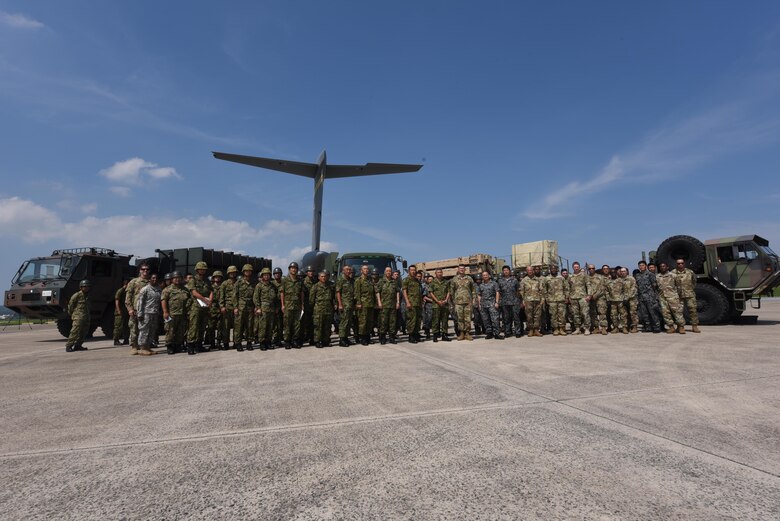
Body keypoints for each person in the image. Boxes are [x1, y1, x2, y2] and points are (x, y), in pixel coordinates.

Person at [186, 261, 213, 354]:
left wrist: (210, 300)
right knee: (194, 326)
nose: (203, 271)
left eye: (204, 269)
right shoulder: (193, 280)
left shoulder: (207, 280)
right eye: (201, 269)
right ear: (197, 270)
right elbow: (193, 292)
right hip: (196, 306)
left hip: (205, 307)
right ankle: (190, 345)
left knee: (202, 326)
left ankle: (199, 345)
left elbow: (211, 291)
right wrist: (204, 299)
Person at [161, 271, 190, 355]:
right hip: (171, 314)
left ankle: (178, 346)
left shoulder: (185, 289)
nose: (177, 279)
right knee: (170, 330)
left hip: (182, 314)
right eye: (175, 278)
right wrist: (165, 312)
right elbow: (163, 301)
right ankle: (169, 346)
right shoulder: (167, 289)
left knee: (180, 331)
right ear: (172, 279)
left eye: (179, 278)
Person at [125, 263, 150, 354]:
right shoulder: (134, 282)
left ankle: (144, 346)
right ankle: (134, 346)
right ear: (140, 270)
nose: (145, 271)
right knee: (134, 328)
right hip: (136, 309)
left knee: (145, 329)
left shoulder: (151, 282)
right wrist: (130, 309)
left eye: (147, 269)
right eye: (143, 269)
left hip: (147, 310)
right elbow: (128, 296)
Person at [657, 262, 686, 334]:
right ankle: (671, 327)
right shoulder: (657, 276)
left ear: (667, 267)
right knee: (665, 313)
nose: (662, 267)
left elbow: (679, 287)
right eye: (661, 266)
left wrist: (679, 296)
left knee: (677, 312)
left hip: (673, 296)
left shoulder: (673, 275)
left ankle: (681, 327)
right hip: (662, 297)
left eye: (664, 266)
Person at [136, 273, 161, 356]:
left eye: (156, 278)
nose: (155, 279)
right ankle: (142, 348)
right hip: (146, 313)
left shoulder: (158, 289)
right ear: (149, 279)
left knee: (152, 330)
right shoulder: (145, 289)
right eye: (153, 278)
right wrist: (140, 314)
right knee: (144, 330)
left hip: (154, 313)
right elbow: (140, 302)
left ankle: (147, 347)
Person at [280, 262, 304, 348]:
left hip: (297, 306)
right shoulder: (285, 280)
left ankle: (295, 340)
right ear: (289, 269)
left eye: (295, 268)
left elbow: (301, 294)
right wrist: (282, 305)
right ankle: (287, 341)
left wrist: (302, 304)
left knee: (297, 324)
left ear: (297, 270)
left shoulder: (299, 281)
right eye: (292, 268)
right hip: (288, 306)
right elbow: (282, 293)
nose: (293, 269)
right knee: (287, 324)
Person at [310, 270, 336, 348]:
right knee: (318, 326)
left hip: (328, 309)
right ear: (318, 278)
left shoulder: (330, 286)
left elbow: (332, 297)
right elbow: (311, 300)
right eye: (322, 276)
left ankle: (326, 340)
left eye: (324, 276)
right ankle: (317, 341)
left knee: (327, 326)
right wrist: (314, 308)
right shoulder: (315, 286)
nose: (323, 278)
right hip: (318, 310)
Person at [674, 259, 701, 333]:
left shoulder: (690, 272)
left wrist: (690, 289)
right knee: (678, 311)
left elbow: (694, 281)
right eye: (678, 263)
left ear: (684, 263)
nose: (680, 264)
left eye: (682, 263)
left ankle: (694, 326)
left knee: (693, 310)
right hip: (678, 295)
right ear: (676, 264)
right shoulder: (672, 273)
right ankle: (680, 327)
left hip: (689, 294)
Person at [354, 264, 379, 345]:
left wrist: (375, 303)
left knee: (369, 322)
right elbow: (357, 293)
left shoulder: (370, 280)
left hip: (370, 304)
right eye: (364, 269)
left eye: (367, 269)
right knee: (363, 322)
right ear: (361, 270)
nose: (366, 270)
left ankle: (368, 337)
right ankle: (362, 338)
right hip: (363, 304)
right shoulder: (358, 280)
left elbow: (374, 292)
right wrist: (358, 303)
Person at [253, 268, 277, 350]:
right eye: (265, 275)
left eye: (268, 275)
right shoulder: (259, 285)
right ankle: (262, 343)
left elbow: (276, 298)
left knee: (270, 326)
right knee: (262, 326)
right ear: (262, 276)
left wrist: (276, 308)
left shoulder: (272, 285)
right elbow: (256, 298)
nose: (266, 276)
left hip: (271, 309)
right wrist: (258, 308)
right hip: (263, 309)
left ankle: (268, 342)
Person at [233, 264, 255, 351]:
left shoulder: (253, 282)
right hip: (240, 307)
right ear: (243, 272)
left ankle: (249, 343)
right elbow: (234, 295)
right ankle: (238, 343)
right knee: (239, 326)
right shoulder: (238, 282)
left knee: (250, 326)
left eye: (249, 271)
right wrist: (235, 307)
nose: (248, 272)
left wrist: (255, 307)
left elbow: (255, 296)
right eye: (246, 271)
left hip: (250, 307)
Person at [635, 261, 662, 333]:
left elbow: (654, 286)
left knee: (653, 312)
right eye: (640, 265)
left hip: (650, 297)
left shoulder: (650, 274)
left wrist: (654, 296)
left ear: (645, 266)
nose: (641, 267)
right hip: (641, 297)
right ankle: (648, 327)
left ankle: (656, 327)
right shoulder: (637, 275)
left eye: (642, 265)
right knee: (644, 313)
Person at [450, 264, 475, 341]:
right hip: (458, 302)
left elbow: (473, 290)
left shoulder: (469, 278)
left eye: (463, 268)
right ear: (458, 269)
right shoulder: (454, 279)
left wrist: (473, 300)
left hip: (468, 302)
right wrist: (453, 302)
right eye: (460, 268)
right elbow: (451, 291)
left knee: (468, 318)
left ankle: (467, 333)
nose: (461, 270)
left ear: (465, 270)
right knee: (460, 318)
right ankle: (461, 333)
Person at [65, 279, 91, 352]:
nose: (86, 288)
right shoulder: (77, 295)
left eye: (88, 286)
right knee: (75, 331)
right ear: (81, 287)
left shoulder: (88, 295)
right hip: (78, 317)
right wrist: (73, 314)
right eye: (84, 286)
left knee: (84, 332)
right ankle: (69, 346)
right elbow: (70, 306)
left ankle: (78, 345)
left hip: (86, 317)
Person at [376, 267, 400, 344]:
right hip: (384, 305)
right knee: (383, 322)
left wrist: (398, 302)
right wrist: (379, 302)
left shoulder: (394, 282)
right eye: (387, 271)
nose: (388, 272)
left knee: (392, 322)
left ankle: (391, 337)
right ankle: (382, 337)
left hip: (392, 305)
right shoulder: (381, 281)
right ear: (384, 272)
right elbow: (377, 292)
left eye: (390, 271)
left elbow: (397, 292)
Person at [544, 265, 569, 336]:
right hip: (551, 300)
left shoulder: (561, 278)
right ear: (550, 270)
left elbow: (566, 289)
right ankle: (555, 329)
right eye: (552, 269)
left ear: (557, 270)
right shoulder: (547, 278)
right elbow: (544, 290)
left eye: (555, 269)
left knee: (562, 315)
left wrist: (566, 297)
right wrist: (546, 298)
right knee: (553, 315)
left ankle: (561, 329)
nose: (553, 270)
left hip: (561, 299)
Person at [497, 266, 521, 338]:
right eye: (504, 270)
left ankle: (517, 332)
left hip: (514, 302)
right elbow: (499, 292)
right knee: (506, 318)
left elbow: (518, 291)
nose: (506, 271)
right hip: (505, 302)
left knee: (516, 318)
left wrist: (519, 300)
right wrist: (499, 301)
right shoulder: (500, 281)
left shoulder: (514, 280)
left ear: (509, 271)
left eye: (507, 270)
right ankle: (507, 332)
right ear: (502, 272)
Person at [520, 266, 544, 337]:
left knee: (537, 316)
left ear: (533, 271)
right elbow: (522, 292)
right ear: (526, 271)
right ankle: (531, 330)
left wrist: (542, 300)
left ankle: (536, 330)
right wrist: (523, 301)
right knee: (529, 316)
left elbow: (541, 290)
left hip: (537, 300)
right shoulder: (524, 280)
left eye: (531, 270)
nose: (530, 271)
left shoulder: (538, 280)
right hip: (528, 301)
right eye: (528, 270)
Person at [568, 262, 591, 335]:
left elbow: (588, 285)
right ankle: (577, 328)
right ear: (573, 268)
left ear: (579, 267)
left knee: (585, 313)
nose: (576, 268)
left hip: (582, 297)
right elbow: (568, 287)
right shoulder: (570, 276)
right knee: (575, 314)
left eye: (577, 266)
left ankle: (587, 328)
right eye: (575, 267)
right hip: (573, 297)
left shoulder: (584, 275)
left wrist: (589, 295)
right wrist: (568, 297)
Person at [402, 265, 423, 343]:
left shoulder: (417, 281)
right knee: (411, 320)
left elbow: (419, 292)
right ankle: (411, 336)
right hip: (411, 303)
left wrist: (421, 302)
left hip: (418, 303)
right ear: (409, 271)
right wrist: (407, 302)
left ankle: (416, 335)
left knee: (418, 320)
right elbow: (404, 291)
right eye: (412, 270)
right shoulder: (406, 280)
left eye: (414, 270)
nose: (413, 271)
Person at [428, 268, 451, 342]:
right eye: (438, 272)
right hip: (436, 304)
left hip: (445, 304)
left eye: (440, 272)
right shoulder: (433, 282)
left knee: (445, 320)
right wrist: (437, 301)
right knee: (436, 320)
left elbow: (448, 291)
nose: (439, 273)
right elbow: (431, 292)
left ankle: (444, 335)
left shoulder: (446, 282)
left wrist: (446, 300)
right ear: (435, 273)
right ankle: (435, 335)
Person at [219, 266, 238, 350]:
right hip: (227, 307)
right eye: (231, 272)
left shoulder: (238, 283)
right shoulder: (224, 283)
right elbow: (221, 296)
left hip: (237, 307)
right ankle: (225, 343)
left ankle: (236, 342)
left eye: (234, 272)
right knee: (225, 327)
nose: (232, 274)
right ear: (228, 273)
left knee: (237, 327)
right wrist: (222, 306)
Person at [336, 266, 356, 347]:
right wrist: (340, 304)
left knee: (348, 322)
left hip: (350, 304)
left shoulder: (351, 280)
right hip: (344, 305)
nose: (348, 271)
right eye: (347, 270)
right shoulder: (340, 280)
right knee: (343, 322)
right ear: (343, 271)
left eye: (349, 270)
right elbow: (338, 292)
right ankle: (341, 339)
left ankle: (346, 338)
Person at [587, 264, 609, 335]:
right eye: (589, 269)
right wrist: (589, 296)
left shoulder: (600, 277)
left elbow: (603, 288)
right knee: (593, 313)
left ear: (594, 269)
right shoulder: (586, 278)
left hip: (600, 298)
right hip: (590, 298)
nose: (591, 270)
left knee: (602, 312)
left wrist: (595, 295)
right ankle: (596, 327)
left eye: (592, 268)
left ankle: (603, 328)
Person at [607, 267, 628, 334]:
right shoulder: (608, 282)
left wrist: (625, 298)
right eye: (611, 272)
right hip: (612, 301)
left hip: (621, 300)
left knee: (623, 314)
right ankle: (616, 327)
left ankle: (624, 327)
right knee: (613, 315)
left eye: (614, 272)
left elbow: (625, 290)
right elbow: (606, 291)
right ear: (610, 273)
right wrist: (608, 299)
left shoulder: (621, 280)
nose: (613, 273)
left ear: (616, 273)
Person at [206, 271, 224, 348]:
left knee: (220, 326)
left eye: (219, 277)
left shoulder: (223, 287)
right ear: (213, 278)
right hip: (212, 308)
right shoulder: (210, 287)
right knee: (211, 327)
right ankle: (212, 343)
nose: (217, 278)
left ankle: (219, 342)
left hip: (220, 307)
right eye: (216, 277)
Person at [620, 267, 640, 333]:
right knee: (623, 314)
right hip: (622, 299)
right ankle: (625, 327)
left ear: (627, 272)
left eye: (624, 271)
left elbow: (633, 289)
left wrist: (627, 298)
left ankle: (634, 327)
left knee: (633, 313)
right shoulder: (619, 280)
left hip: (632, 299)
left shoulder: (631, 279)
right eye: (621, 271)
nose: (623, 272)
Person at [113, 278, 130, 346]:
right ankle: (116, 340)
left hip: (126, 311)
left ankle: (126, 339)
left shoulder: (127, 291)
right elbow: (117, 301)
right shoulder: (120, 291)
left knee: (126, 326)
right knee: (118, 326)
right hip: (120, 312)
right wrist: (119, 310)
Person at [301, 266, 316, 346]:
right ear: (307, 272)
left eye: (312, 271)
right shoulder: (303, 282)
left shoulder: (315, 281)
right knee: (304, 322)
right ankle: (304, 337)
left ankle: (312, 338)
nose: (311, 272)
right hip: (306, 305)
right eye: (309, 271)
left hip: (313, 305)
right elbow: (301, 294)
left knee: (313, 322)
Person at [271, 267, 284, 346]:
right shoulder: (271, 284)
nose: (277, 275)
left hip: (282, 305)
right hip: (274, 306)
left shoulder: (284, 283)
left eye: (278, 273)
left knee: (281, 324)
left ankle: (279, 338)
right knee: (274, 324)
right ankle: (275, 338)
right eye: (275, 274)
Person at [422, 274, 434, 340]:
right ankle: (427, 331)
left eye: (432, 279)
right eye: (429, 279)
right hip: (429, 304)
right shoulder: (426, 287)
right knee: (429, 318)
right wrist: (432, 300)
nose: (430, 280)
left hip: (436, 304)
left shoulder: (435, 286)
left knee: (436, 319)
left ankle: (436, 332)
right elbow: (424, 296)